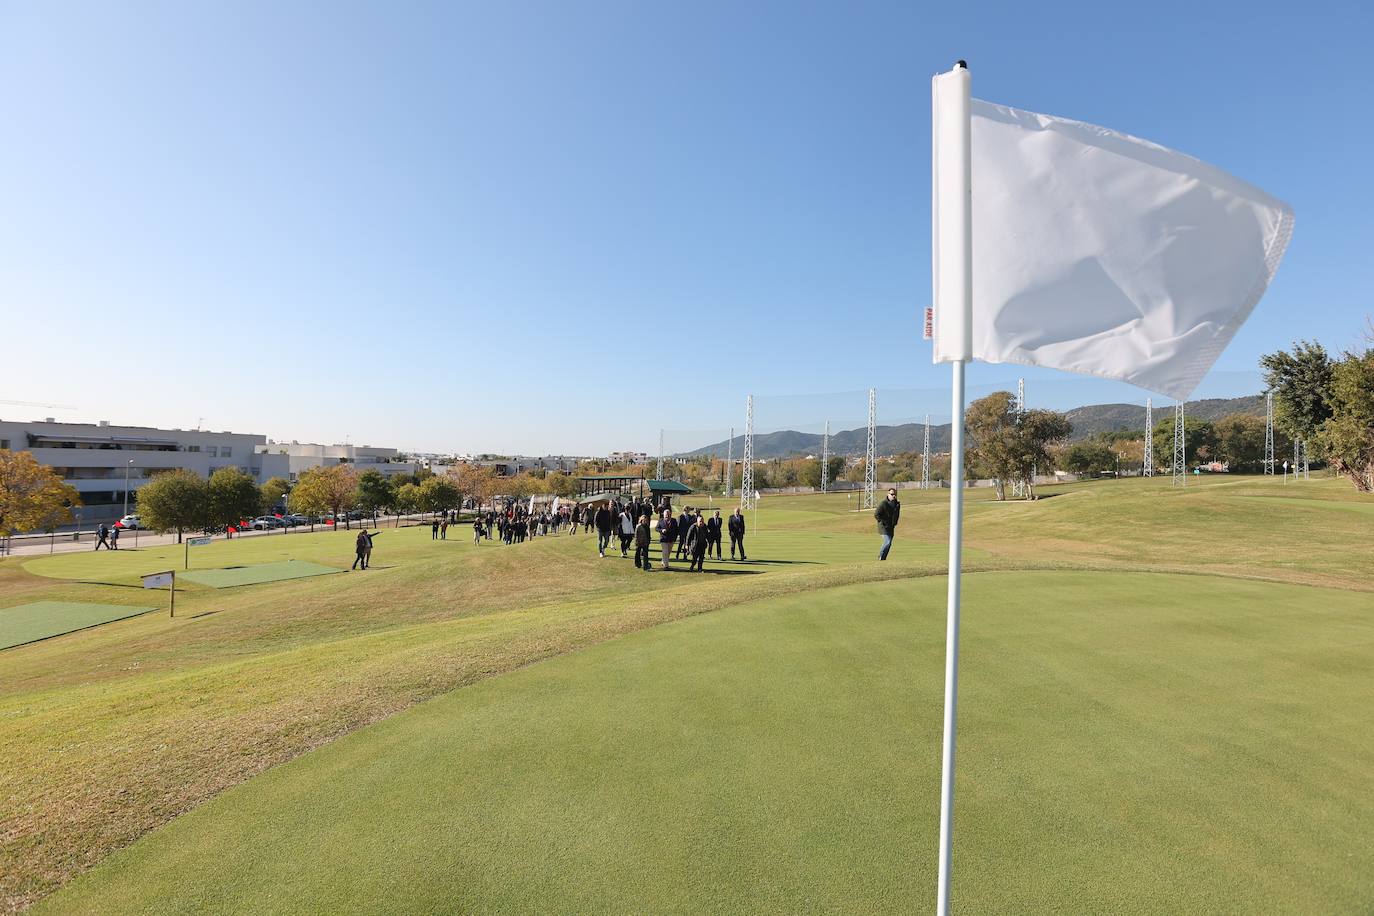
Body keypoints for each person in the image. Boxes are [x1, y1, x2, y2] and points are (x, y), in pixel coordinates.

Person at [875, 487, 901, 560]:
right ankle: (880, 556)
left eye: (895, 494)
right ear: (888, 494)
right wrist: (882, 522)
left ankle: (883, 559)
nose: (893, 496)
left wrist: (895, 522)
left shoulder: (897, 504)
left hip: (891, 526)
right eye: (892, 494)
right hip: (883, 526)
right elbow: (876, 514)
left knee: (889, 544)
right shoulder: (883, 503)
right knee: (887, 541)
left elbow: (897, 514)